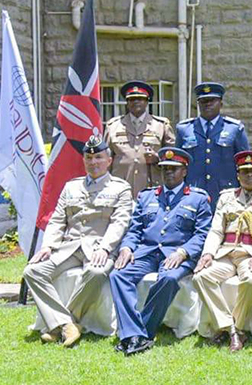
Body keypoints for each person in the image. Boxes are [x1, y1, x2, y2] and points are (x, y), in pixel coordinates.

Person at [23, 136, 133, 347]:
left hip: (100, 248)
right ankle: (66, 324)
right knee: (32, 271)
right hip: (70, 247)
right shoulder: (71, 187)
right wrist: (48, 246)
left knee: (98, 272)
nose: (93, 163)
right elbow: (57, 220)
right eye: (89, 158)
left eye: (99, 157)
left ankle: (63, 324)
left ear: (109, 160)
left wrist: (105, 247)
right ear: (84, 160)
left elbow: (120, 223)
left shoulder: (121, 188)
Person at [109, 147, 212, 355]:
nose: (169, 173)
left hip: (177, 255)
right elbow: (135, 229)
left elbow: (202, 234)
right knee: (117, 275)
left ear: (185, 171)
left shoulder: (198, 198)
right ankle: (133, 333)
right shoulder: (147, 196)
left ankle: (139, 333)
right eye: (164, 169)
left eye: (174, 169)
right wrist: (127, 247)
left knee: (170, 279)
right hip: (146, 252)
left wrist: (183, 252)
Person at [192, 151, 252, 352]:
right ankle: (231, 329)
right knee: (200, 277)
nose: (249, 175)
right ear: (237, 175)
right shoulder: (227, 197)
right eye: (244, 172)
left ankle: (235, 328)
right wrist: (208, 254)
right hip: (226, 254)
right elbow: (216, 230)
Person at [175, 82, 250, 209]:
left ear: (221, 103)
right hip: (192, 196)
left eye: (212, 100)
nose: (207, 104)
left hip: (227, 195)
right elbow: (177, 164)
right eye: (203, 101)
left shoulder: (234, 128)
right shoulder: (184, 129)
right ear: (198, 104)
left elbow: (245, 163)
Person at [103, 80, 176, 198]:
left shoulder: (161, 125)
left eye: (140, 99)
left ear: (147, 102)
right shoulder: (113, 126)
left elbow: (173, 158)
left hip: (152, 188)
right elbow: (105, 159)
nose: (136, 102)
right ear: (127, 102)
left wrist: (157, 158)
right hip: (120, 188)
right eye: (132, 99)